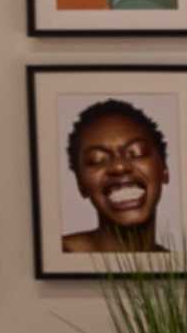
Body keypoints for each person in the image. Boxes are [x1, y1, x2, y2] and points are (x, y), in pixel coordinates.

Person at [59, 97, 180, 259]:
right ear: (81, 184)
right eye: (97, 159)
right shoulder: (59, 255)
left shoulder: (176, 266)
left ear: (164, 169)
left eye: (137, 152)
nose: (119, 167)